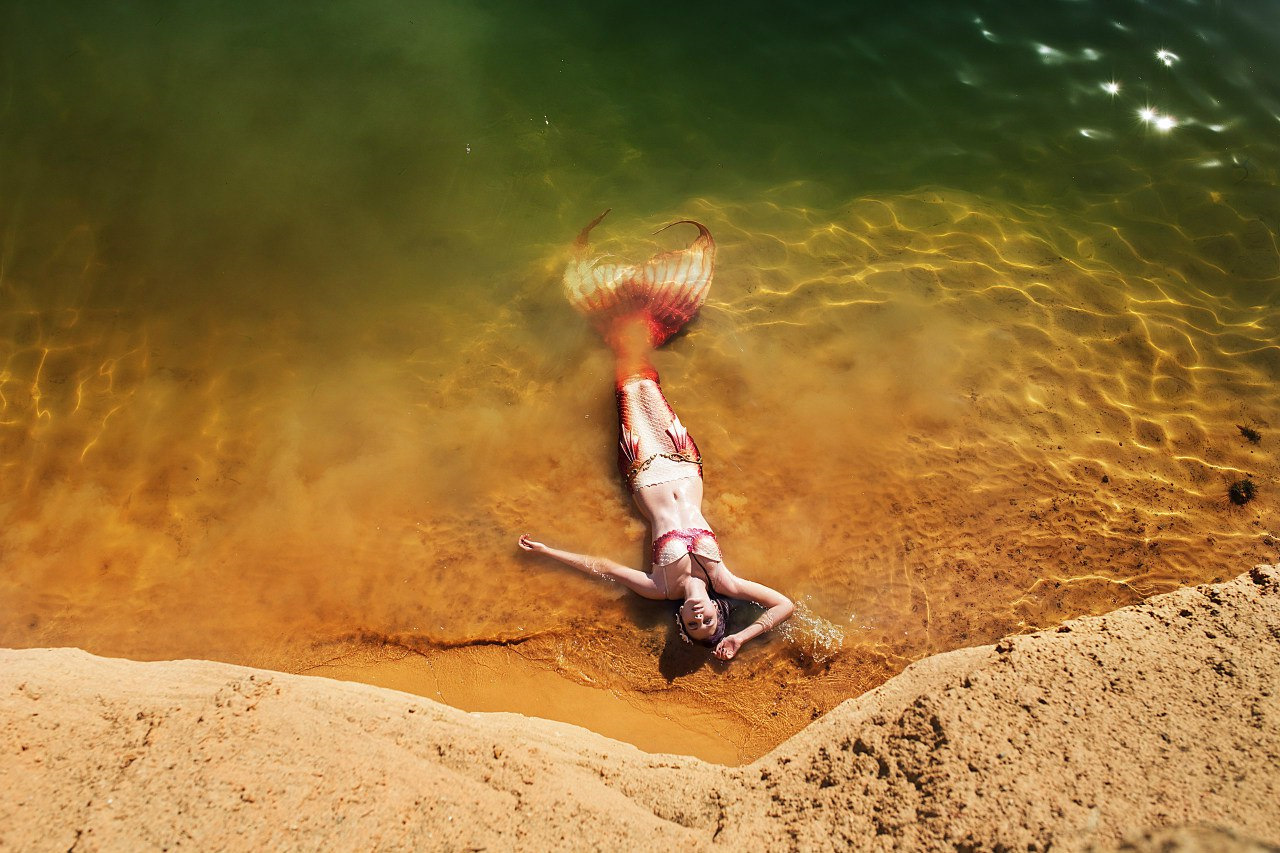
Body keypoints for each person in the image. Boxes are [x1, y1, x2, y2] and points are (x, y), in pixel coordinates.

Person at [518, 210, 793, 661]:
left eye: (693, 624)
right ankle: (641, 315)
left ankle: (615, 313)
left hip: (643, 465)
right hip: (683, 461)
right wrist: (743, 638)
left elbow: (602, 568)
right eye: (711, 623)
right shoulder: (726, 582)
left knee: (627, 379)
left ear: (681, 620)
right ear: (719, 613)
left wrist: (548, 551)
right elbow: (784, 604)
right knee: (649, 380)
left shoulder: (658, 588)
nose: (700, 619)